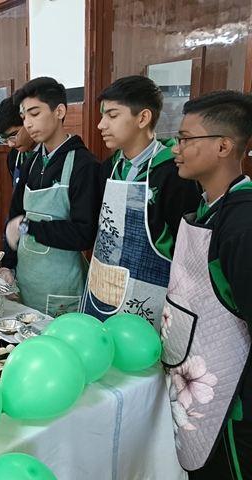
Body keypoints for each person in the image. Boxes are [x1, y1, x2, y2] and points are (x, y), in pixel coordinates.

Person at [160, 90, 252, 479]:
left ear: (223, 146)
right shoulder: (207, 208)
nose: (175, 148)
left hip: (233, 398)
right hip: (195, 381)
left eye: (185, 139)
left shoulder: (242, 225)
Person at [80, 76, 201, 325]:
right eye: (103, 115)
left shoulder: (173, 173)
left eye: (112, 115)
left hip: (150, 296)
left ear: (143, 118)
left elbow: (187, 249)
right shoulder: (109, 168)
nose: (101, 125)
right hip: (102, 288)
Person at [0, 77, 101, 316]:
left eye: (35, 113)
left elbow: (83, 234)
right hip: (27, 280)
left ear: (60, 111)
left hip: (61, 287)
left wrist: (29, 227)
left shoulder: (84, 165)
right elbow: (16, 216)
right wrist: (8, 267)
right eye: (24, 117)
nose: (28, 124)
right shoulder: (31, 162)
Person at [0, 96, 39, 189]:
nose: (11, 144)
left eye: (14, 134)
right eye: (5, 139)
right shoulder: (13, 156)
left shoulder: (51, 154)